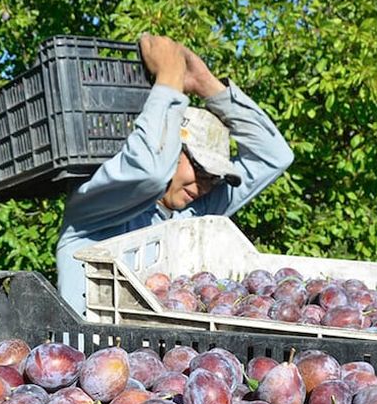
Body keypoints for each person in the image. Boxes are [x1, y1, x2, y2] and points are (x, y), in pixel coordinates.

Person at [55, 34, 294, 315]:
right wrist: (169, 79)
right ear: (172, 150)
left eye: (214, 178)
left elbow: (275, 156)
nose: (203, 185)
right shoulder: (100, 206)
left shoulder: (195, 214)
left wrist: (207, 85)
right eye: (199, 169)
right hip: (87, 342)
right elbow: (152, 171)